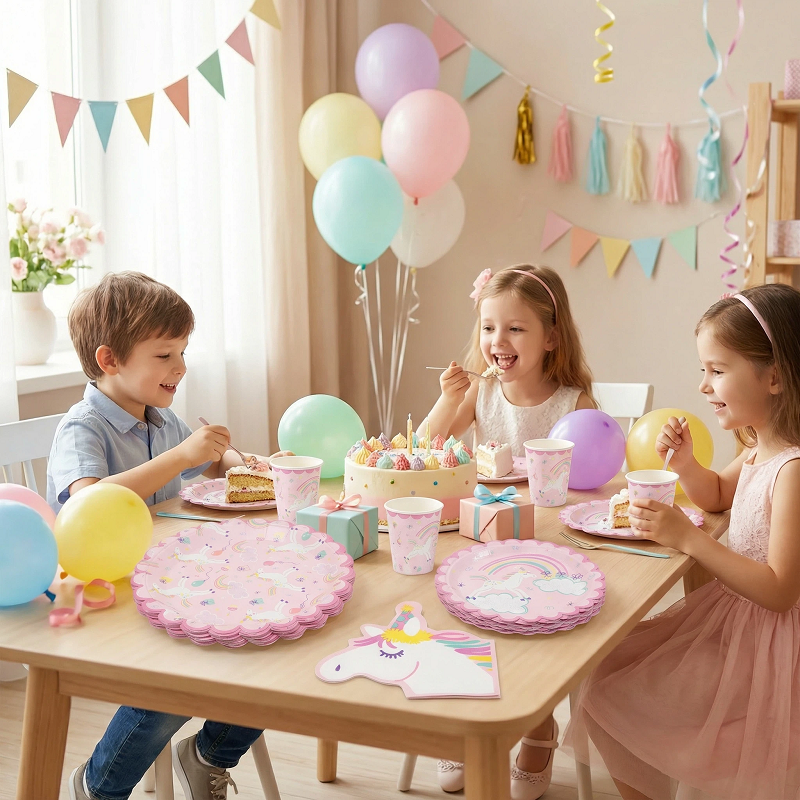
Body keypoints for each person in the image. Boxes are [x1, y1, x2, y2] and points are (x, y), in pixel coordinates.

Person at [48, 272, 288, 800]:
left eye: (182, 351)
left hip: (168, 580)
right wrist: (181, 456)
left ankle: (209, 754)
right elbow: (89, 501)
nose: (181, 367)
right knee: (176, 680)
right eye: (165, 355)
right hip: (104, 594)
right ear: (110, 360)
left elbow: (209, 464)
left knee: (267, 638)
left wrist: (243, 462)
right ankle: (98, 785)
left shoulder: (159, 416)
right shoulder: (82, 427)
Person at [563, 285, 800, 800]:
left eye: (717, 370)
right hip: (735, 619)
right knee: (607, 664)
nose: (704, 387)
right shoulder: (762, 447)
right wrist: (688, 465)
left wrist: (688, 539)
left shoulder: (793, 470)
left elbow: (781, 590)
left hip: (769, 641)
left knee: (613, 692)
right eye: (703, 371)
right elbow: (716, 495)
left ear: (775, 376)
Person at [427, 265, 595, 798]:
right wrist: (447, 399)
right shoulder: (480, 393)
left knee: (537, 636)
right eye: (488, 327)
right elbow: (428, 452)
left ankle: (540, 726)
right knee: (454, 615)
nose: (497, 341)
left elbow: (594, 486)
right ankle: (471, 723)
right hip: (481, 538)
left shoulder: (575, 405)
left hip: (551, 551)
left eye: (515, 328)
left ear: (551, 338)